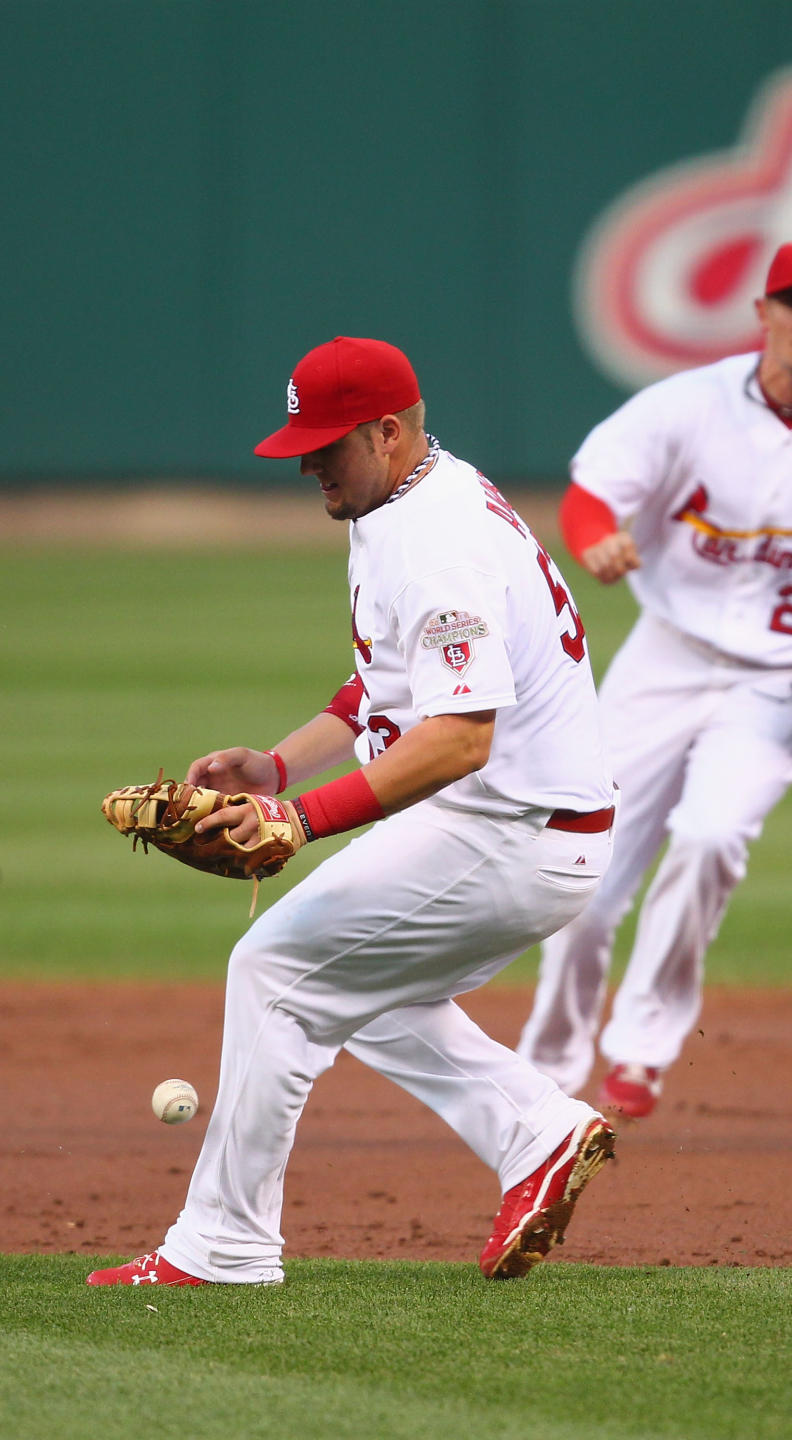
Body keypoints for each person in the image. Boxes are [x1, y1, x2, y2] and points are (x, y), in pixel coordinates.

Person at [87, 335, 619, 1287]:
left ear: (386, 432)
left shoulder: (437, 540)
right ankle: (539, 1131)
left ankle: (223, 1247)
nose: (308, 465)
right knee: (355, 988)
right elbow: (393, 674)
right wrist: (280, 766)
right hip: (516, 824)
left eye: (327, 445)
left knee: (274, 969)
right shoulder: (417, 496)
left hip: (511, 830)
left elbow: (460, 737)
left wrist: (302, 820)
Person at [517, 239, 792, 1120]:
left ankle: (641, 1049)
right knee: (584, 877)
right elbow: (591, 490)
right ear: (762, 312)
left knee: (712, 838)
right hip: (666, 654)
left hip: (784, 683)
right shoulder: (685, 407)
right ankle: (550, 1066)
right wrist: (595, 533)